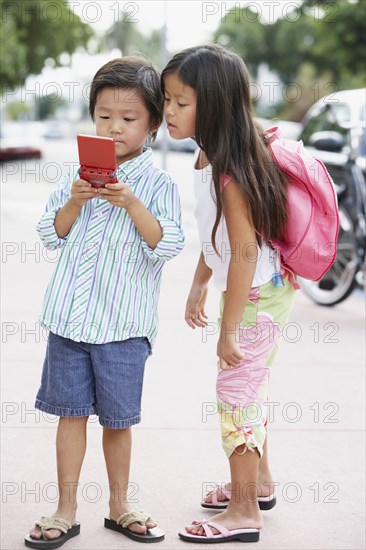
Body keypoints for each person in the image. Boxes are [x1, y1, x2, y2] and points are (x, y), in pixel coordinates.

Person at [25, 56, 184, 549]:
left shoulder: (158, 184)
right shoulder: (77, 176)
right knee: (69, 415)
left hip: (124, 327)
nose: (114, 127)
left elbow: (170, 243)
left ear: (153, 124)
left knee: (118, 422)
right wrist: (75, 200)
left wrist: (131, 202)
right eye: (103, 116)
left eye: (128, 119)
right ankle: (64, 509)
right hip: (69, 322)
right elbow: (50, 233)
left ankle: (119, 505)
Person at [162, 44, 297, 544]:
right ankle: (258, 484)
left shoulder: (230, 170)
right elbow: (216, 236)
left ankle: (244, 512)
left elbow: (242, 251)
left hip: (255, 293)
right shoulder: (210, 152)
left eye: (181, 101)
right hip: (257, 288)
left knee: (235, 395)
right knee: (250, 389)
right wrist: (200, 282)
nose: (168, 111)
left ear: (214, 104)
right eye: (167, 99)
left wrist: (229, 330)